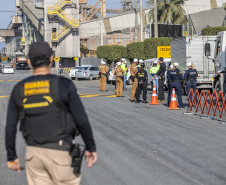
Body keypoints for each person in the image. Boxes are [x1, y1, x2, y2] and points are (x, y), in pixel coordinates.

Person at [5, 42, 97, 185]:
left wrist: (12, 157)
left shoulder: (19, 88)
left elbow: (10, 127)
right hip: (61, 152)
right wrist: (90, 147)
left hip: (34, 155)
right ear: (51, 59)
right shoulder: (64, 85)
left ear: (29, 61)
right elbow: (82, 120)